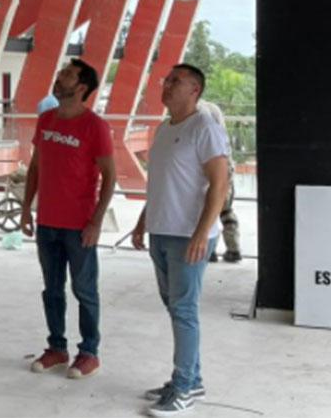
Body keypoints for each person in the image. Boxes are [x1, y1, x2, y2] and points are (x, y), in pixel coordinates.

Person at [133, 64, 230, 416]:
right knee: (175, 309)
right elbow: (161, 182)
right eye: (167, 79)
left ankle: (185, 386)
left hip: (188, 237)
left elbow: (220, 185)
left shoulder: (205, 128)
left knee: (184, 311)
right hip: (162, 231)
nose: (167, 85)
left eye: (176, 81)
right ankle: (192, 377)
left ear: (195, 90)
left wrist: (202, 232)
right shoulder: (164, 128)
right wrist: (143, 222)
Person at [20, 59, 116, 380]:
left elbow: (110, 176)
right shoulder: (46, 119)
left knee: (85, 290)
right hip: (47, 221)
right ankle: (57, 348)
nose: (59, 77)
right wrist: (24, 209)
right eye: (60, 72)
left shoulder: (95, 126)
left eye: (68, 75)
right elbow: (35, 167)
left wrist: (96, 222)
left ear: (82, 88)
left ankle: (89, 352)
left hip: (79, 225)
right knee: (52, 289)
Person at [198, 100, 242, 264]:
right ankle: (233, 248)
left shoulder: (199, 111)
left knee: (209, 210)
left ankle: (210, 250)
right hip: (226, 166)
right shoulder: (213, 109)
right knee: (226, 210)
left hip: (209, 169)